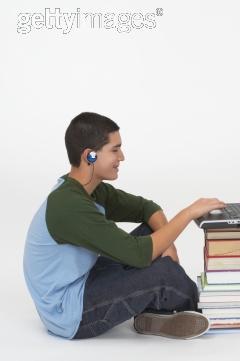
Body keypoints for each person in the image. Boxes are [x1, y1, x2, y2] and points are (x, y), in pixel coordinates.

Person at [23, 112, 226, 340]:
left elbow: (146, 208)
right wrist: (188, 213)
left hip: (84, 280)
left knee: (153, 233)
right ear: (89, 156)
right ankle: (216, 310)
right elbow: (138, 254)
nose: (122, 157)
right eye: (114, 150)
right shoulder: (69, 206)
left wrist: (170, 247)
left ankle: (156, 315)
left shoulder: (90, 188)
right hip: (69, 312)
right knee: (164, 272)